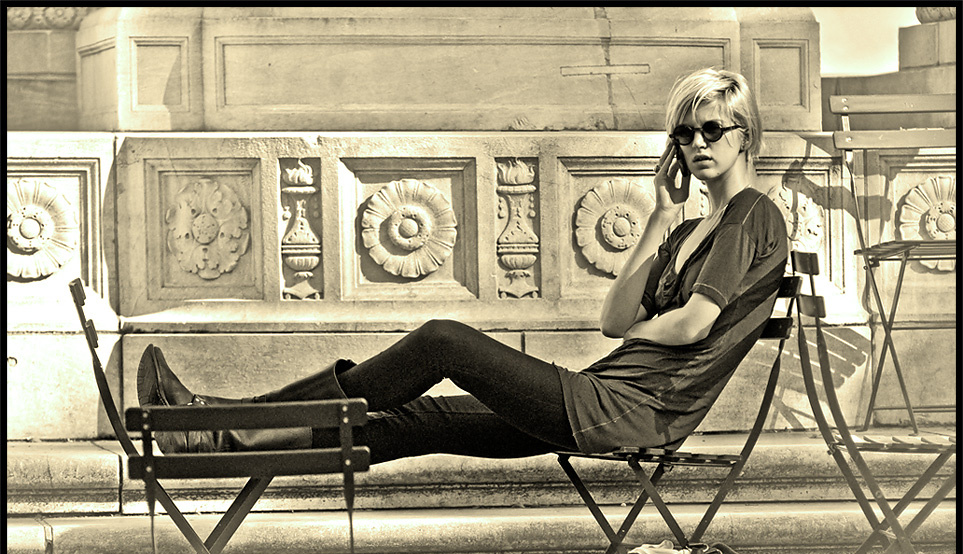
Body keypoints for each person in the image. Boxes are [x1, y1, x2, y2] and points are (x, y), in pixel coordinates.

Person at [138, 67, 788, 463]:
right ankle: (214, 434)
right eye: (684, 133)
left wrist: (649, 328)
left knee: (443, 341)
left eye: (712, 130)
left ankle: (219, 424)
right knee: (412, 420)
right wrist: (660, 215)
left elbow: (691, 326)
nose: (696, 143)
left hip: (628, 412)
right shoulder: (689, 228)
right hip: (602, 397)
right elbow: (614, 321)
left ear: (746, 136)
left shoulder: (750, 215)